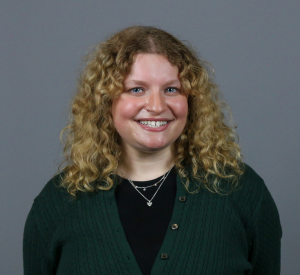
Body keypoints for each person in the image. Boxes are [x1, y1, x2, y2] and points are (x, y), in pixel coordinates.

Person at [23, 26, 282, 275]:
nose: (156, 106)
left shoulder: (241, 191)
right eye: (136, 89)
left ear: (190, 100)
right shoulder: (58, 202)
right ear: (106, 102)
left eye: (171, 89)